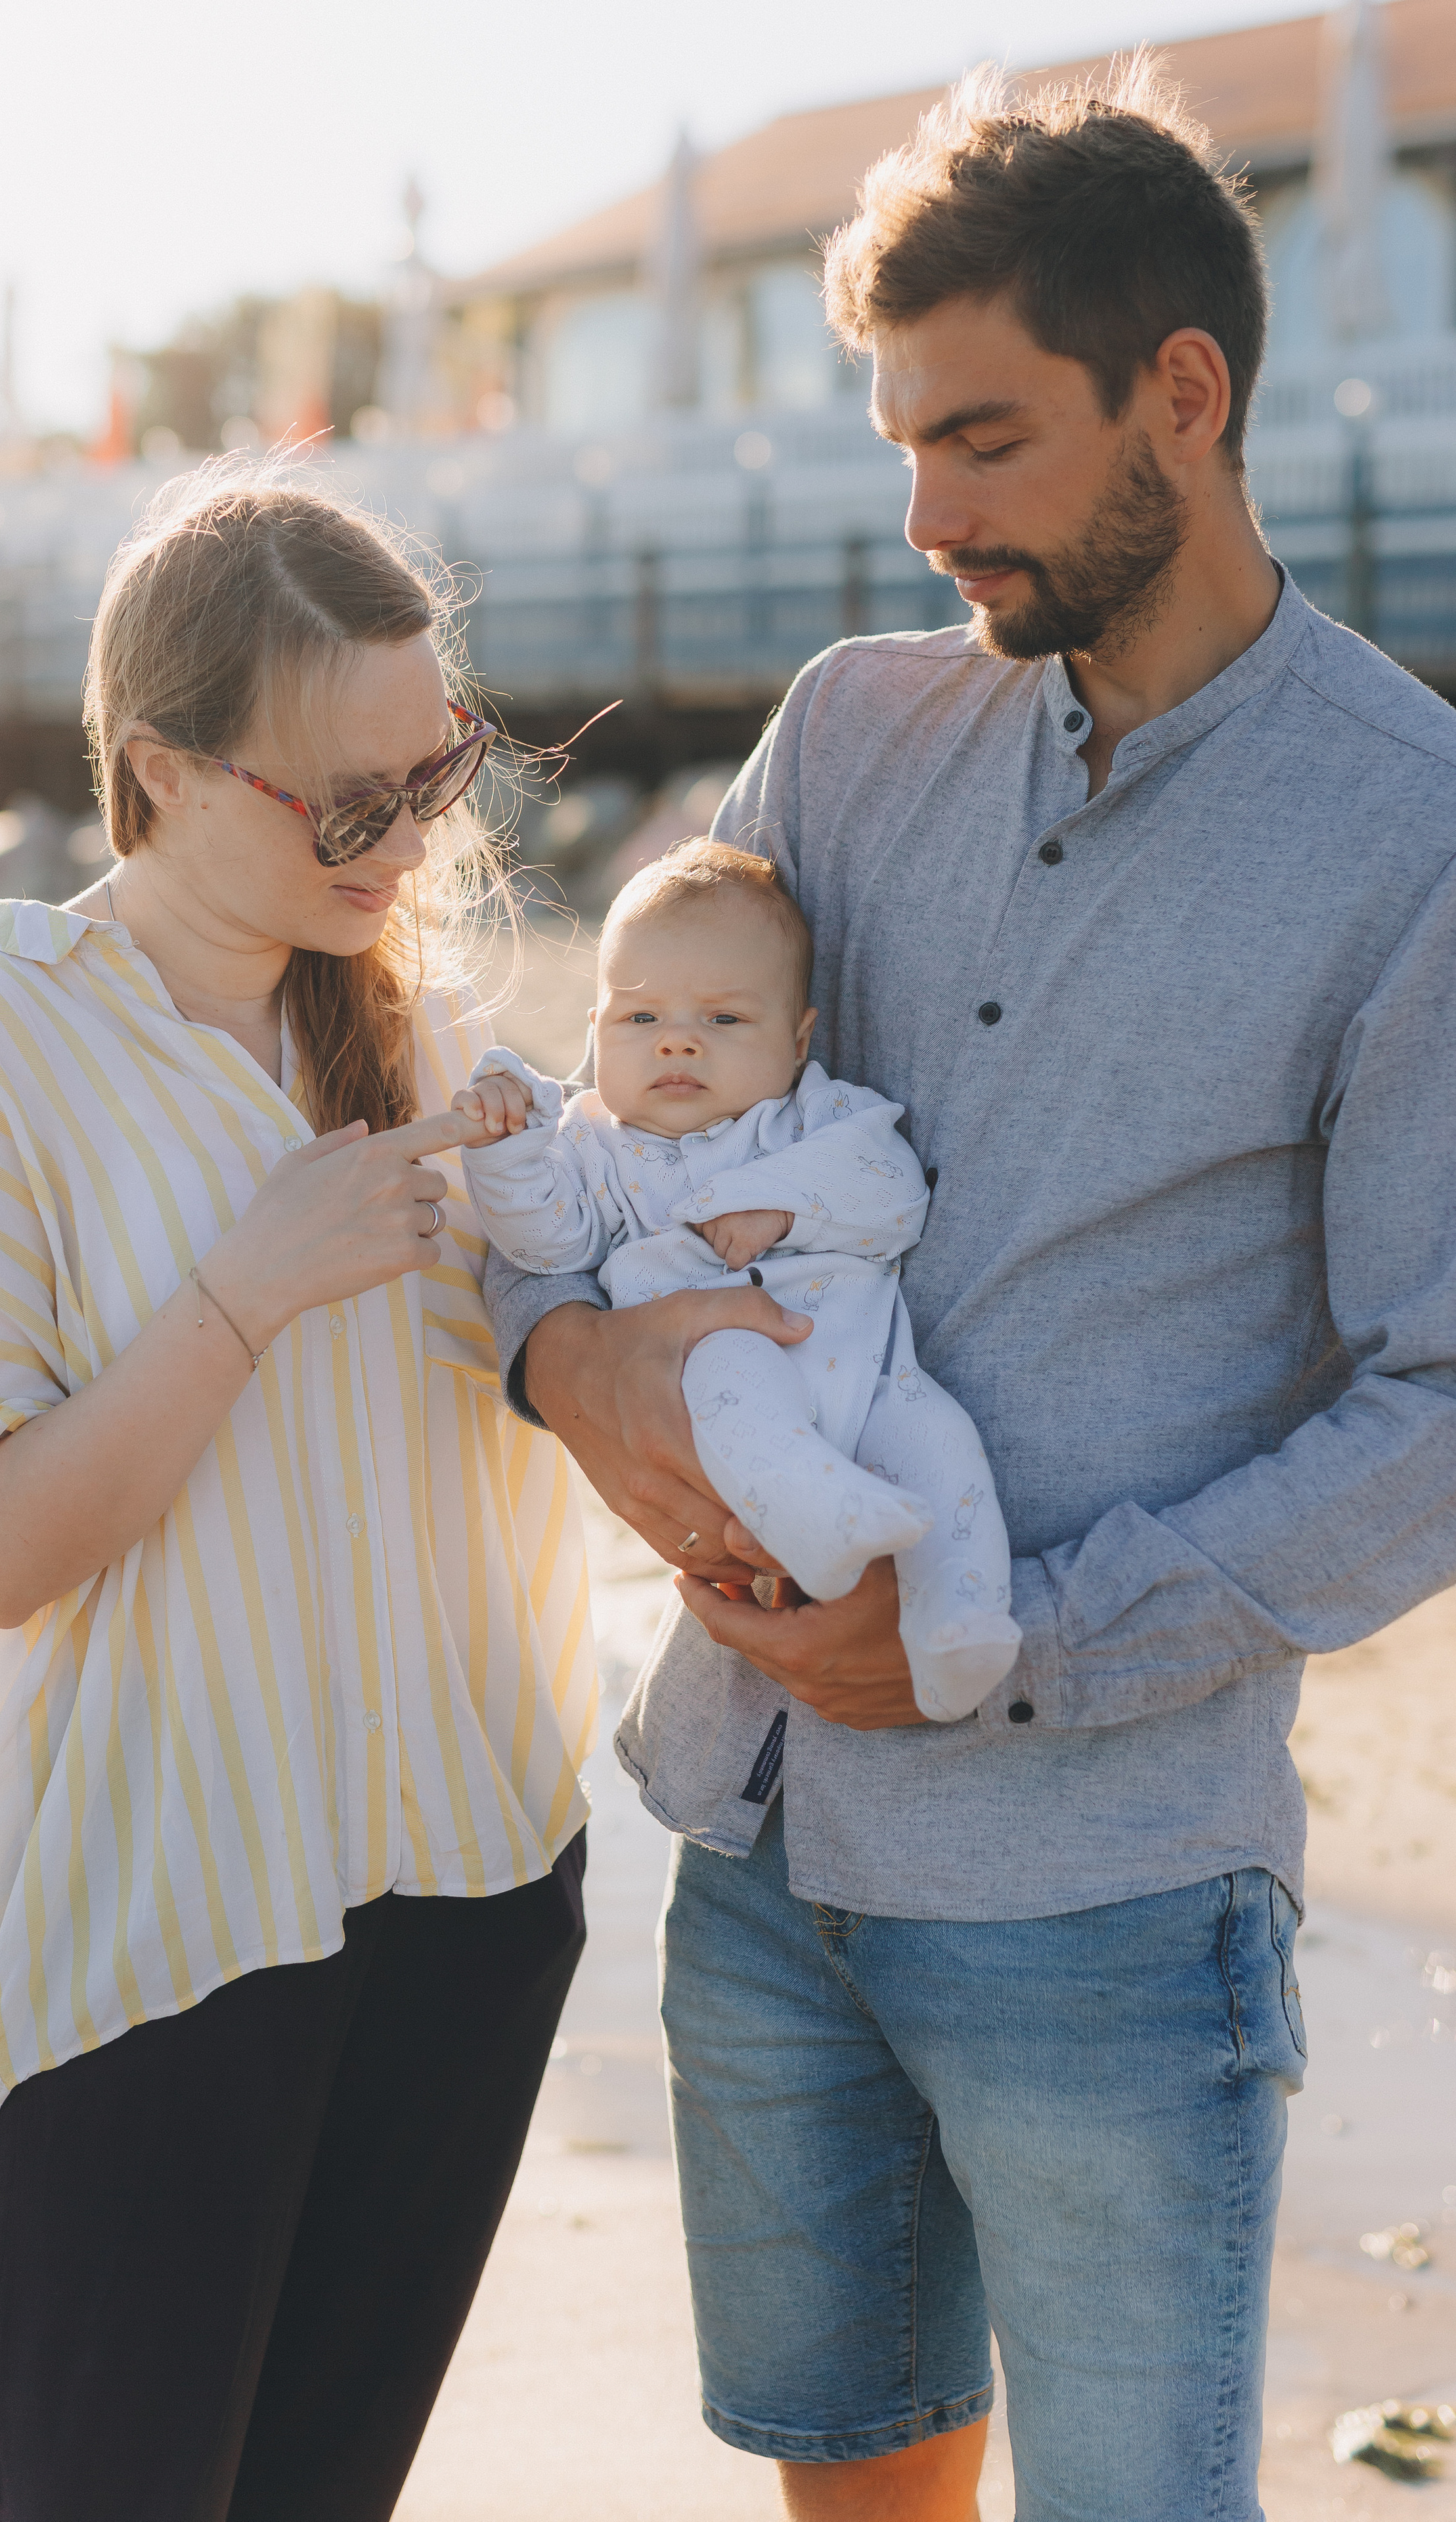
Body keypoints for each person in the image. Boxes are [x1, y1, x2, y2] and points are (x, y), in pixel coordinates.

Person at [485, 57, 1456, 2522]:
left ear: (1187, 394)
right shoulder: (844, 735)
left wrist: (1024, 1632)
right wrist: (566, 1356)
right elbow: (630, 1139)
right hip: (767, 1832)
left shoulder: (1413, 833)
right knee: (853, 2492)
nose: (927, 516)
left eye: (990, 441)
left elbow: (1442, 1398)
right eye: (904, 440)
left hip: (1108, 1887)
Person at [0, 468, 597, 2522]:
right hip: (143, 1946)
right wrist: (242, 1294)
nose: (410, 840)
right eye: (345, 801)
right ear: (160, 773)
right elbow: (0, 1554)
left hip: (459, 1903)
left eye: (429, 773)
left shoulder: (425, 1027)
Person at [455, 840, 1019, 1717]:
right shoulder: (600, 1146)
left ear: (798, 1040)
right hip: (713, 1367)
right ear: (595, 1030)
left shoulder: (822, 1117)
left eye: (722, 1021)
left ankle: (964, 1620)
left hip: (873, 1373)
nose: (678, 1039)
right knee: (732, 1374)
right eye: (639, 1021)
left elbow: (894, 1194)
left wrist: (784, 1207)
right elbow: (543, 1244)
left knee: (944, 1447)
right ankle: (820, 1519)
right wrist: (510, 1146)